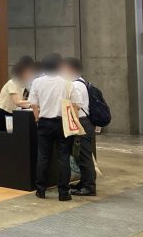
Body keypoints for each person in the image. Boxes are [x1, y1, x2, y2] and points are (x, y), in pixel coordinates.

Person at [29, 53, 82, 201]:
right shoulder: (67, 82)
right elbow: (75, 106)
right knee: (63, 157)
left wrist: (37, 118)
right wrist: (75, 124)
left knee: (43, 157)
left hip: (44, 123)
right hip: (63, 124)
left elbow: (33, 104)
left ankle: (40, 190)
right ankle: (63, 193)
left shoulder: (37, 82)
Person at [0, 56, 35, 153]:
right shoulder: (13, 82)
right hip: (0, 113)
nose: (30, 75)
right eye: (29, 72)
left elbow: (23, 101)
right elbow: (17, 102)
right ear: (22, 72)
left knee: (7, 140)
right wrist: (33, 104)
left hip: (11, 114)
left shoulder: (22, 84)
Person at [61, 57, 96, 196]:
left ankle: (89, 187)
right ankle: (84, 182)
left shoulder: (76, 85)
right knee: (81, 156)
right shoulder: (81, 82)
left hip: (81, 122)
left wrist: (74, 125)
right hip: (83, 122)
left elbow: (76, 106)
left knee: (84, 156)